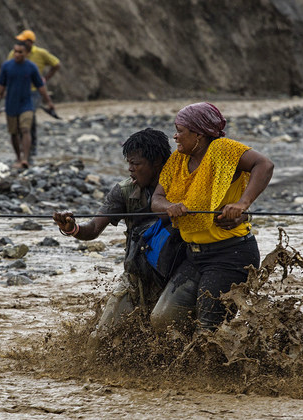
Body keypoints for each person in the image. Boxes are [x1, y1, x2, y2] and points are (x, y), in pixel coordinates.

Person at [53, 128, 247, 339]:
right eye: (129, 163)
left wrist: (241, 216)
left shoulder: (191, 187)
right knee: (100, 339)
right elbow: (92, 230)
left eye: (136, 164)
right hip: (137, 279)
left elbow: (226, 215)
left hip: (176, 278)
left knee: (180, 333)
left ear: (157, 163)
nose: (130, 169)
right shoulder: (125, 191)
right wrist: (72, 228)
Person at [150, 102, 274, 333]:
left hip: (230, 255)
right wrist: (169, 207)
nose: (175, 136)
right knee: (162, 319)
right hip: (194, 255)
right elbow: (156, 198)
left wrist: (242, 204)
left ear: (198, 133)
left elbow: (264, 164)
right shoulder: (177, 160)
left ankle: (213, 366)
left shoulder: (223, 150)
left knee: (208, 330)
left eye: (180, 130)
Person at [0, 40, 55, 169]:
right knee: (14, 132)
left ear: (26, 53)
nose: (17, 54)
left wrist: (48, 101)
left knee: (25, 129)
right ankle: (18, 158)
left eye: (20, 52)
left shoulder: (31, 67)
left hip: (26, 103)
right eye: (15, 51)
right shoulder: (7, 67)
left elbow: (40, 86)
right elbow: (1, 86)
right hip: (11, 103)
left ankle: (25, 159)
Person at [7, 30, 61, 157]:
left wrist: (45, 79)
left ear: (30, 42)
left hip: (34, 92)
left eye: (23, 41)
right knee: (19, 120)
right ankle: (23, 149)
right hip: (18, 92)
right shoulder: (14, 54)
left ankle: (31, 147)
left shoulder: (41, 54)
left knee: (29, 118)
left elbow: (56, 64)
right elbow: (8, 69)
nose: (20, 43)